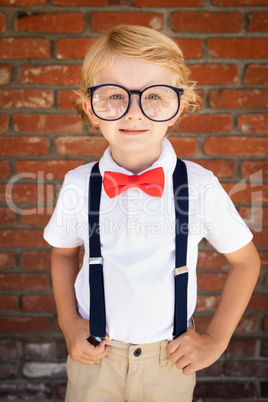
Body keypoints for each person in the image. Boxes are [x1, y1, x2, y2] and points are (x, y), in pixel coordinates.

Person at [43, 25, 260, 402]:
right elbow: (63, 253)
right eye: (113, 95)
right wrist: (69, 325)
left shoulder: (199, 185)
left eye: (155, 96)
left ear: (179, 106)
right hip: (95, 358)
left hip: (168, 362)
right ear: (89, 108)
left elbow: (245, 262)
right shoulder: (78, 184)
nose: (134, 113)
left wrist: (215, 341)